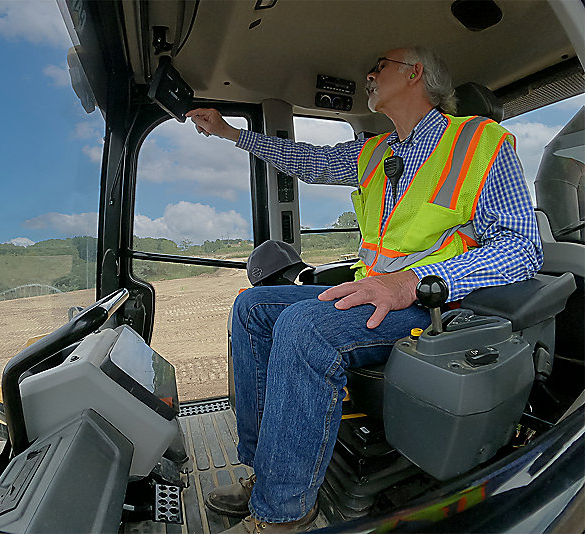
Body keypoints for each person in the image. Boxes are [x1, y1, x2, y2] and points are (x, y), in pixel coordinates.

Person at [186, 46, 542, 533]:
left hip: (434, 305)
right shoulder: (375, 150)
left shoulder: (481, 143)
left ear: (415, 73)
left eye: (380, 67)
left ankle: (283, 514)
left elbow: (523, 246)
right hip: (372, 292)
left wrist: (415, 282)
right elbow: (307, 161)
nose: (369, 75)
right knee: (254, 305)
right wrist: (231, 134)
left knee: (303, 326)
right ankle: (266, 471)